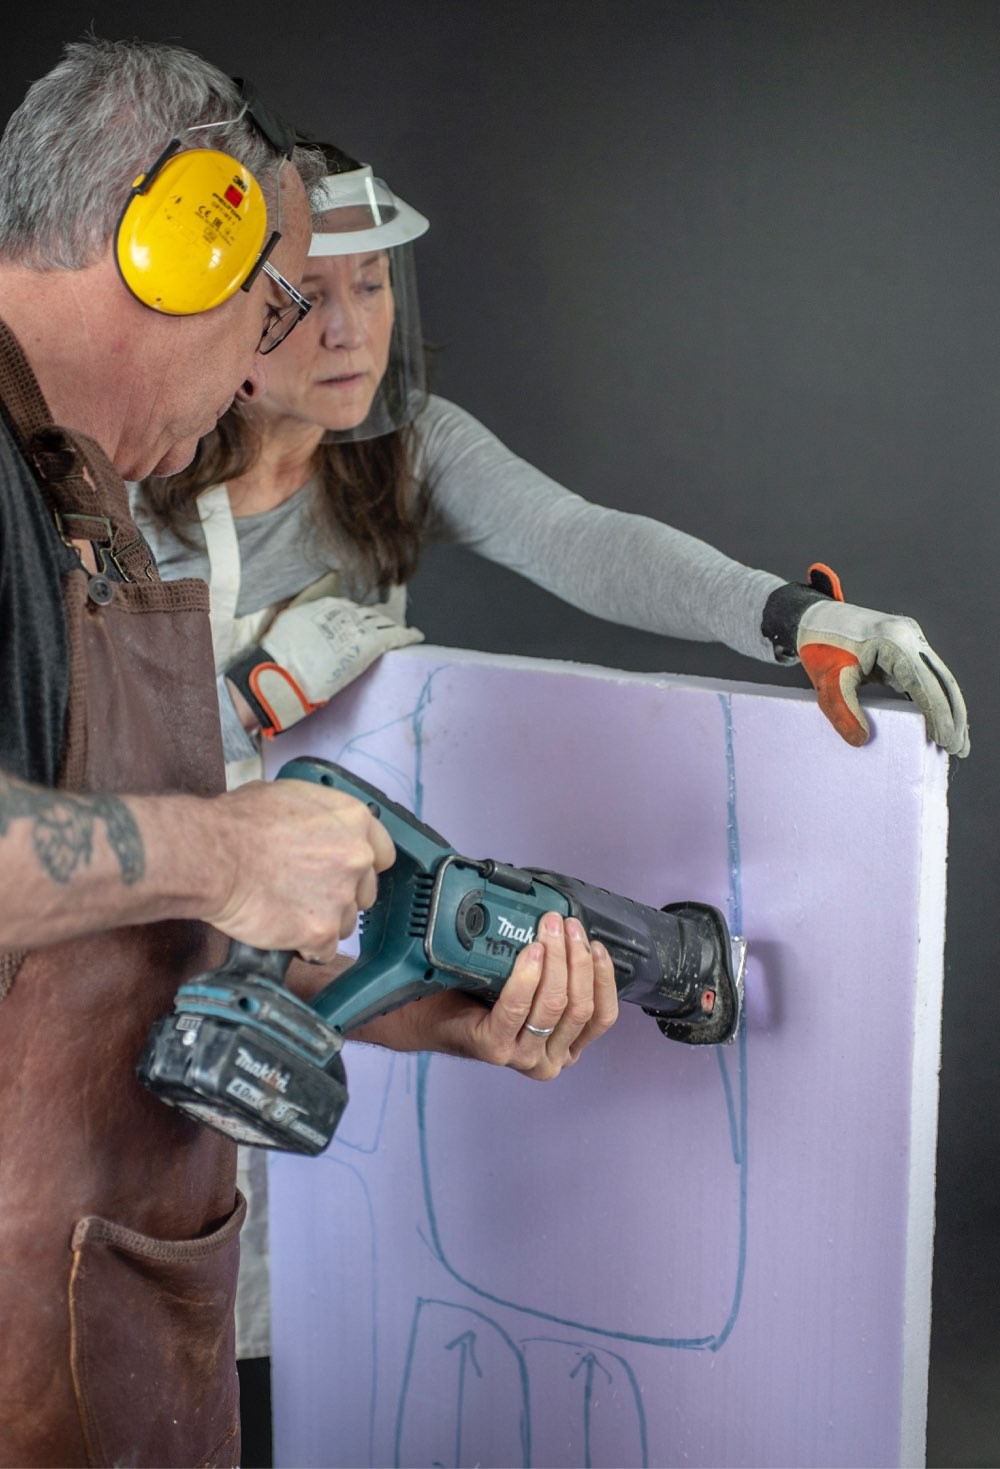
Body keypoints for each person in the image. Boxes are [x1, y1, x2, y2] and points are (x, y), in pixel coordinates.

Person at [131, 142, 971, 1433]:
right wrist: (250, 693)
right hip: (141, 947)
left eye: (375, 286)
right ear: (239, 300)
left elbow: (584, 540)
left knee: (315, 1342)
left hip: (327, 949)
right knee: (153, 1327)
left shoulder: (400, 449)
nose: (351, 329)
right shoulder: (132, 467)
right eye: (313, 292)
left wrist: (789, 616)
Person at [0, 51, 615, 1469]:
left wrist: (408, 1003)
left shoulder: (67, 491)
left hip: (91, 1331)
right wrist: (229, 842)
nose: (248, 381)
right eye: (271, 305)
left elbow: (79, 938)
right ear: (179, 246)